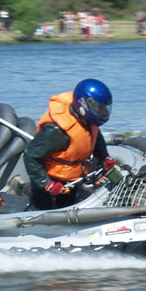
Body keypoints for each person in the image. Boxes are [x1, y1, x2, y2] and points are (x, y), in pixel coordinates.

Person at [23, 79, 117, 210]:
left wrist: (103, 155)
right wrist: (47, 184)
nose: (103, 112)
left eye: (104, 108)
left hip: (73, 180)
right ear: (83, 105)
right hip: (50, 181)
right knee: (47, 212)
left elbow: (95, 138)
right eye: (99, 108)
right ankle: (24, 190)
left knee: (70, 205)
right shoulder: (56, 131)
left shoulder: (88, 121)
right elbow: (30, 156)